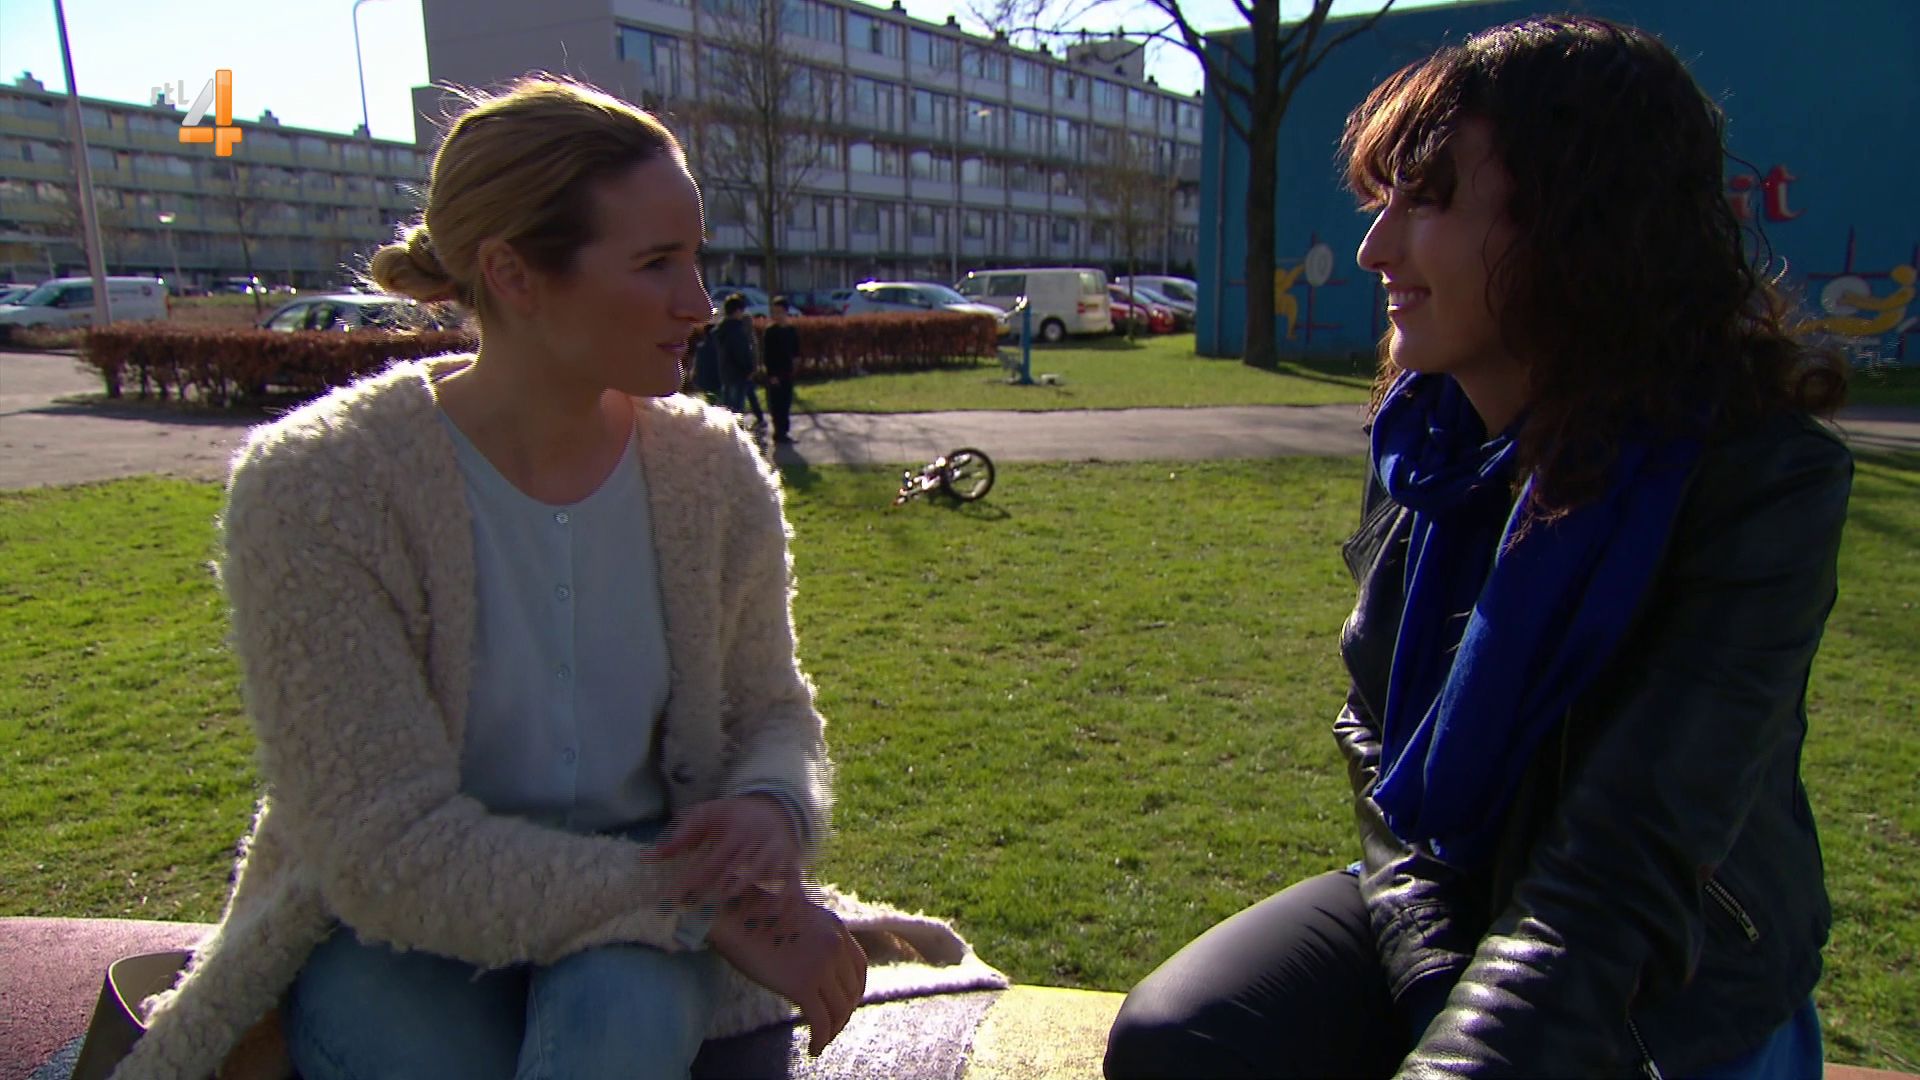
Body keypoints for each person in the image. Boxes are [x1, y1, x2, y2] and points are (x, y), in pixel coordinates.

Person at [1107, 16, 1851, 1079]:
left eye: (1429, 200)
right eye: (1382, 203)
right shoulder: (1428, 446)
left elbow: (1619, 870)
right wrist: (1431, 970)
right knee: (1180, 1039)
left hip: (1663, 971)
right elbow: (1374, 730)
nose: (1375, 250)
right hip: (1449, 888)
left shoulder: (1756, 482)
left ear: (1579, 225)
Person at [109, 77, 869, 1080]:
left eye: (696, 257)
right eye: (657, 263)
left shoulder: (712, 471)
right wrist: (693, 905)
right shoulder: (321, 485)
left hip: (653, 909)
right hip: (403, 926)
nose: (699, 301)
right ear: (512, 273)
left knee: (616, 1026)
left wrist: (772, 805)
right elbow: (385, 851)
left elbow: (773, 707)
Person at [715, 293, 765, 428]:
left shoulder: (721, 328)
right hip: (739, 373)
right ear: (737, 311)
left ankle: (729, 430)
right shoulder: (737, 329)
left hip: (726, 372)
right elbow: (741, 352)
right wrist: (749, 368)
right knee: (737, 407)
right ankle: (735, 431)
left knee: (729, 405)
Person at [762, 296, 801, 443]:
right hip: (774, 372)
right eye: (774, 312)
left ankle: (784, 431)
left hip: (787, 372)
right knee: (776, 404)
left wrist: (795, 366)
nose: (776, 315)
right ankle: (778, 432)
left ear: (786, 312)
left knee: (786, 403)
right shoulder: (770, 332)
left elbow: (796, 351)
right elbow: (767, 355)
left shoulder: (791, 331)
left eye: (779, 312)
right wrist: (771, 375)